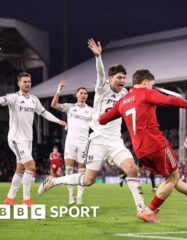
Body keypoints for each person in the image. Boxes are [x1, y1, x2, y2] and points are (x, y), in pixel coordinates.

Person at [38, 39, 146, 216]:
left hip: (115, 141)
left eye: (124, 78)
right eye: (119, 77)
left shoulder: (125, 93)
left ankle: (141, 209)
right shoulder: (102, 88)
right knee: (88, 180)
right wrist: (98, 57)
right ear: (111, 79)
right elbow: (100, 74)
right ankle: (54, 181)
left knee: (133, 169)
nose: (122, 81)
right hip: (98, 140)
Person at [99, 69, 187, 223]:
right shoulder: (146, 93)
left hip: (139, 150)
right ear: (145, 82)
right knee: (172, 177)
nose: (152, 87)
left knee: (172, 178)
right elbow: (170, 100)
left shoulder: (122, 102)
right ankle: (149, 211)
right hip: (156, 144)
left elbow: (102, 119)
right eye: (152, 84)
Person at [1, 72, 67, 207]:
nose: (27, 84)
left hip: (28, 139)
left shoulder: (33, 99)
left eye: (29, 82)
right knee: (31, 166)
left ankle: (9, 198)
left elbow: (44, 112)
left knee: (20, 168)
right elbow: (2, 100)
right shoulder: (14, 98)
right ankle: (26, 200)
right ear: (18, 83)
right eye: (24, 82)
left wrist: (58, 121)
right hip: (16, 138)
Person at [51, 81, 93, 204]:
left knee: (82, 170)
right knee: (68, 169)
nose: (84, 95)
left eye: (85, 93)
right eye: (81, 93)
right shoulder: (70, 107)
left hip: (84, 143)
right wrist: (59, 90)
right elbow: (54, 105)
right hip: (71, 141)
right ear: (76, 95)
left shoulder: (91, 110)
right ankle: (71, 195)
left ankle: (79, 197)